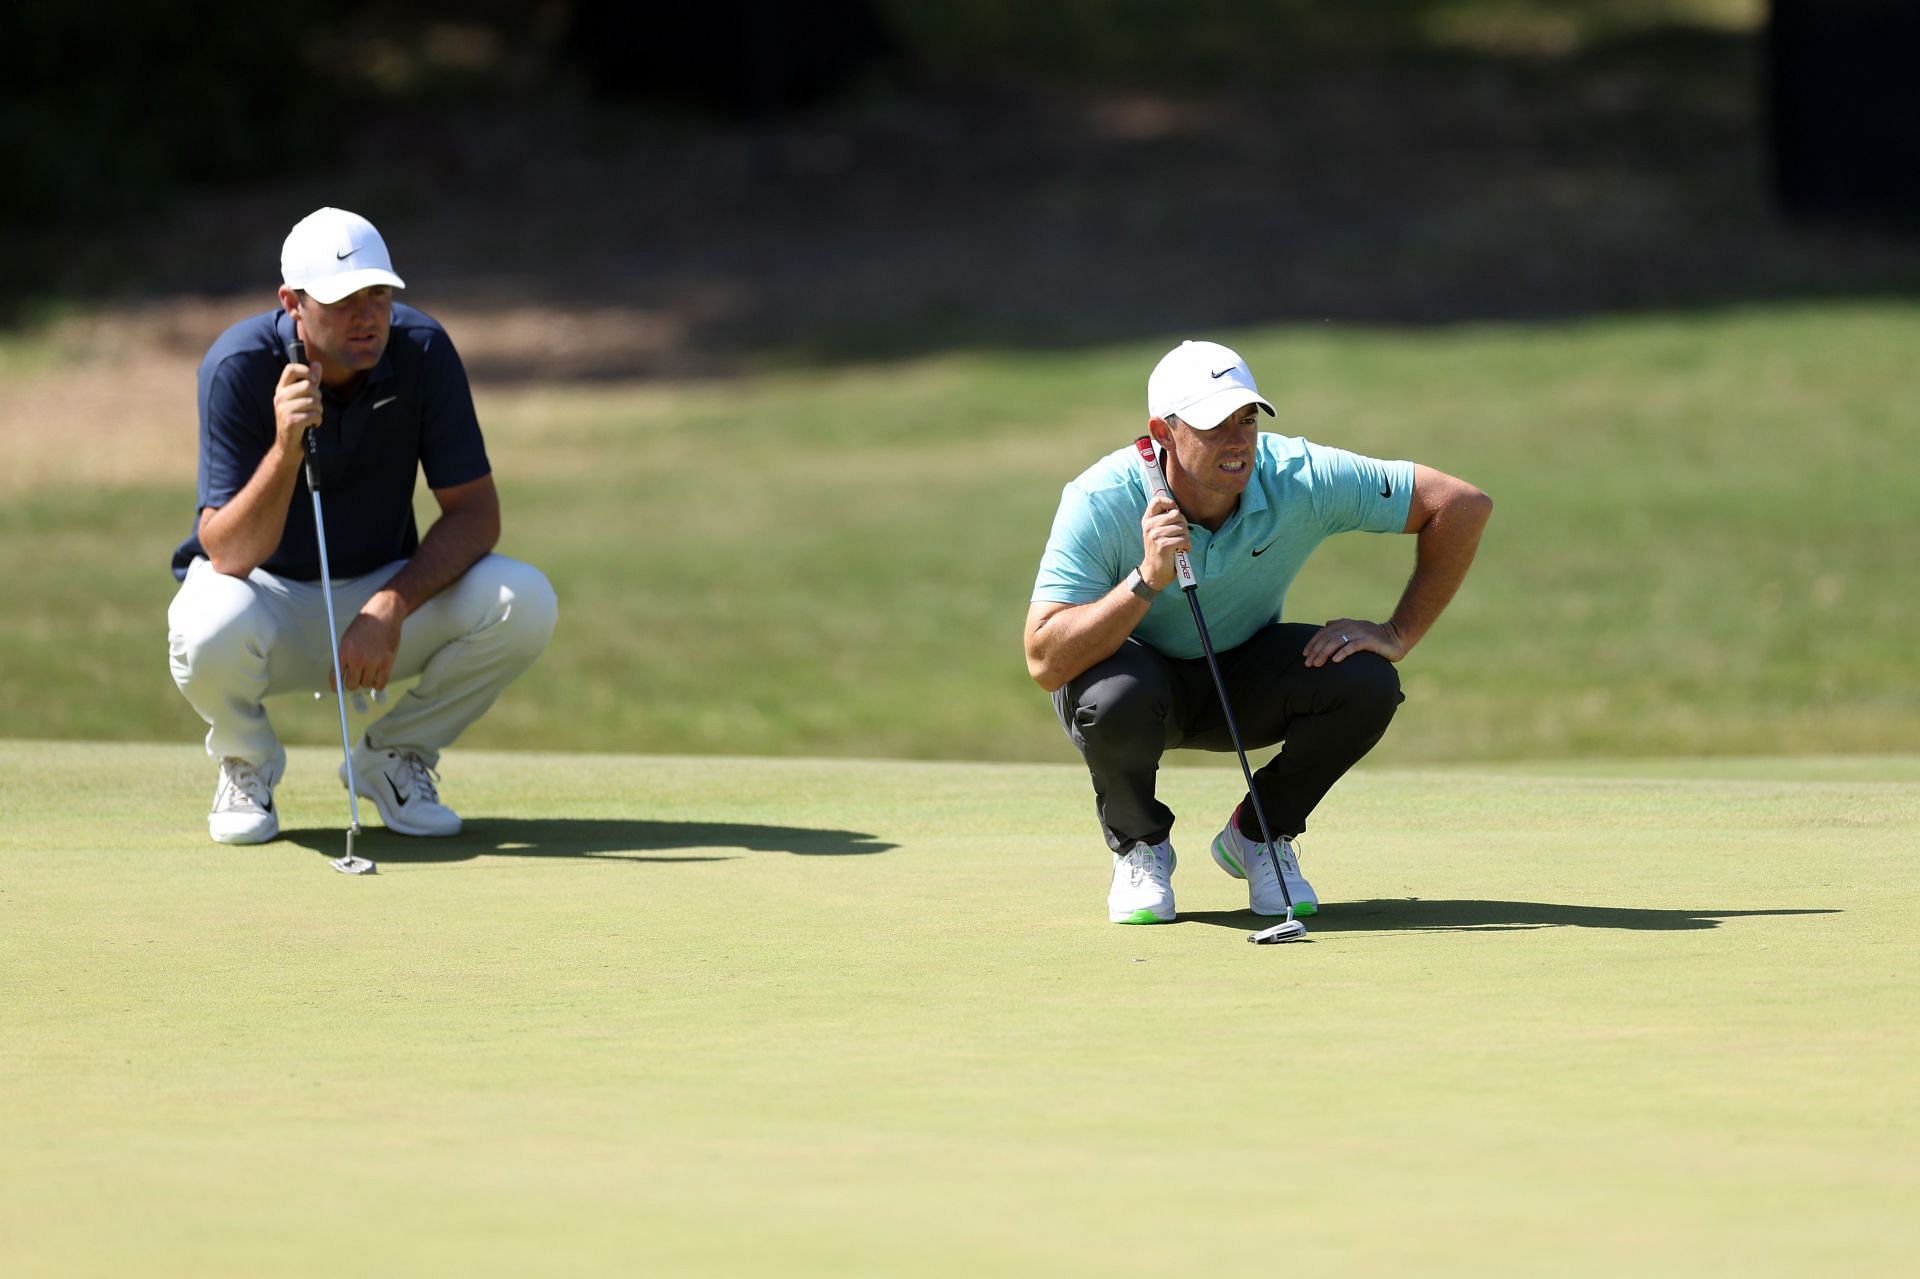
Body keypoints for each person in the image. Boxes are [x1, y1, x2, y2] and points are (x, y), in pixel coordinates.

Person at [1025, 339, 1491, 924]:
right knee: (1111, 696)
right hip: (1140, 683)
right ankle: (1140, 846)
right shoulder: (1100, 498)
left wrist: (1399, 632)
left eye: (1246, 420)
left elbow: (1460, 504)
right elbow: (1044, 660)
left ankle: (1258, 836)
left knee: (1367, 678)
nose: (1238, 441)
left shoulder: (1297, 475)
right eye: (1215, 424)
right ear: (1163, 433)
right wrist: (1146, 578)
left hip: (1242, 677)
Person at [167, 207, 558, 845]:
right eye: (344, 299)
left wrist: (391, 605)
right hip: (265, 602)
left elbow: (476, 514)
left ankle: (392, 757)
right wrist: (287, 448)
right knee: (204, 624)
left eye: (378, 293)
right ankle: (248, 763)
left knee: (526, 600)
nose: (367, 315)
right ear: (292, 303)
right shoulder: (238, 364)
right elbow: (228, 553)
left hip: (382, 599)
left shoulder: (422, 350)